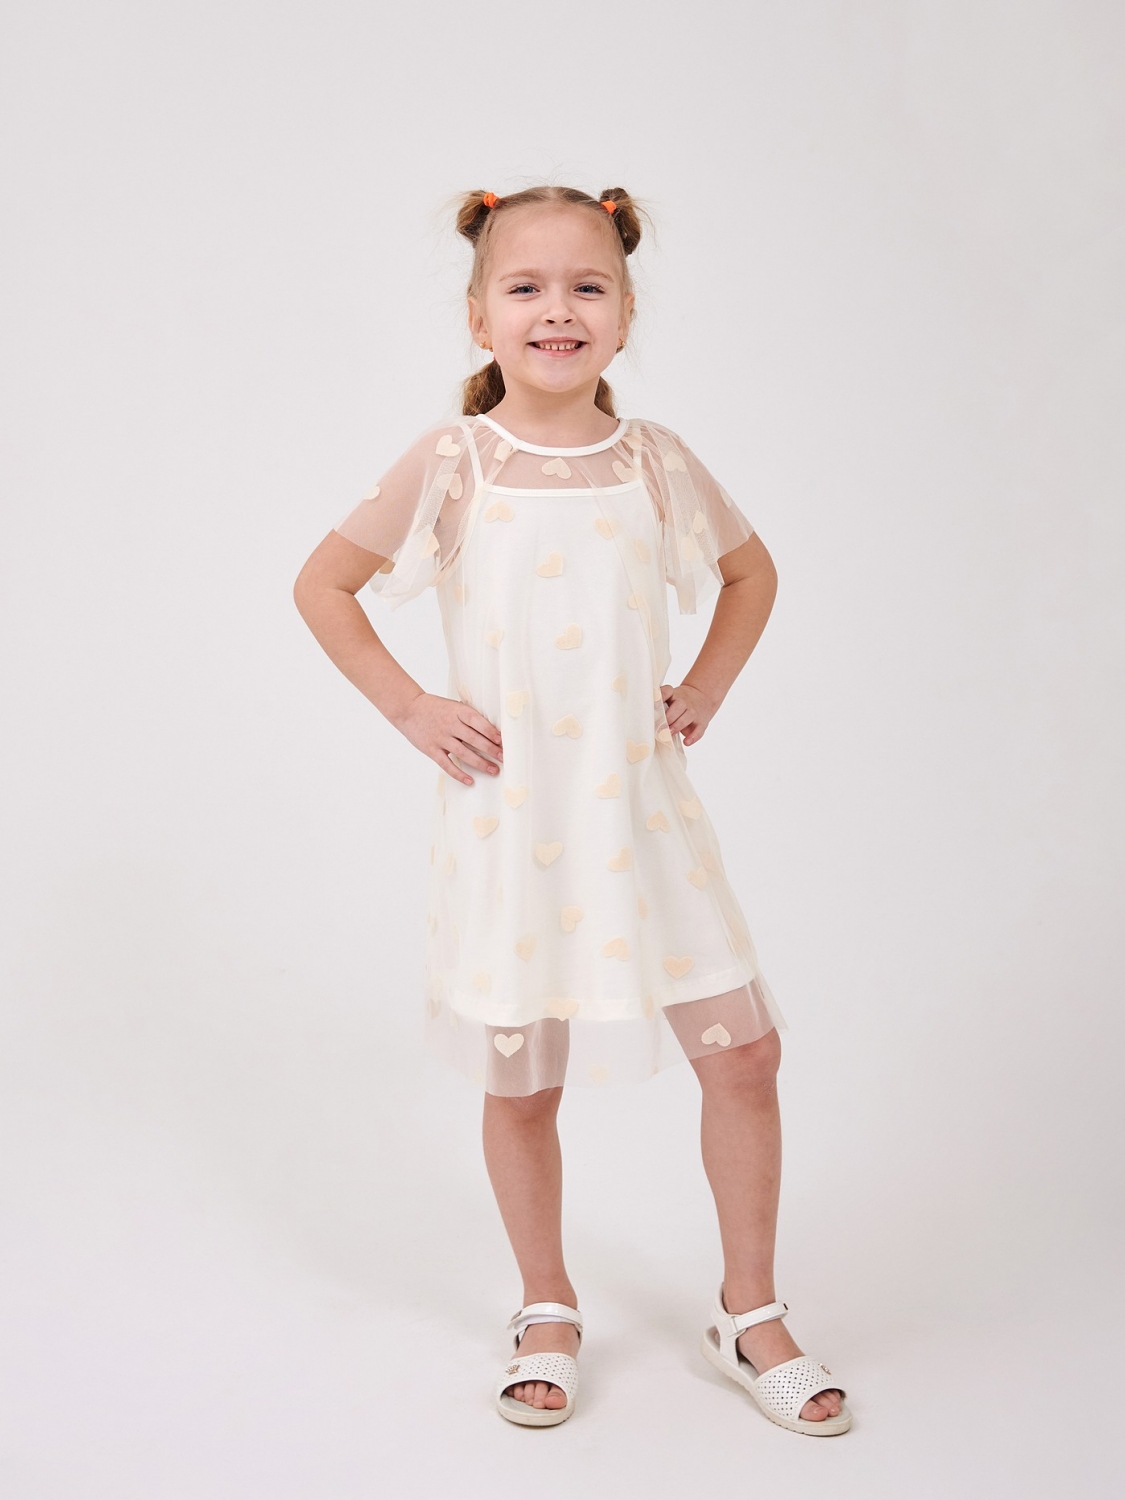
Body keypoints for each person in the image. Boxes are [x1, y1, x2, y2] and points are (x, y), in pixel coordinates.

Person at [293, 184, 851, 1435]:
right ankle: (545, 1303)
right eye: (528, 287)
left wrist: (705, 684)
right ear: (479, 316)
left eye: (588, 286)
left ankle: (750, 1310)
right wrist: (411, 707)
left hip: (643, 817)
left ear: (626, 310)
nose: (559, 310)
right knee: (524, 1078)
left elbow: (751, 574)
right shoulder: (456, 462)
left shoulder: (656, 461)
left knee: (744, 1053)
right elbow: (324, 584)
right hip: (513, 825)